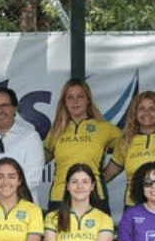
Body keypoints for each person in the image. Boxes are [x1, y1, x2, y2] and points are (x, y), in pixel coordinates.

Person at [43, 78, 121, 211]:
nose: (75, 101)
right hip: (60, 198)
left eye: (80, 96)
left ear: (88, 100)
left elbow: (129, 146)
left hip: (95, 197)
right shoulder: (57, 129)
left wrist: (107, 173)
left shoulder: (103, 128)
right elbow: (39, 159)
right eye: (70, 98)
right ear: (64, 102)